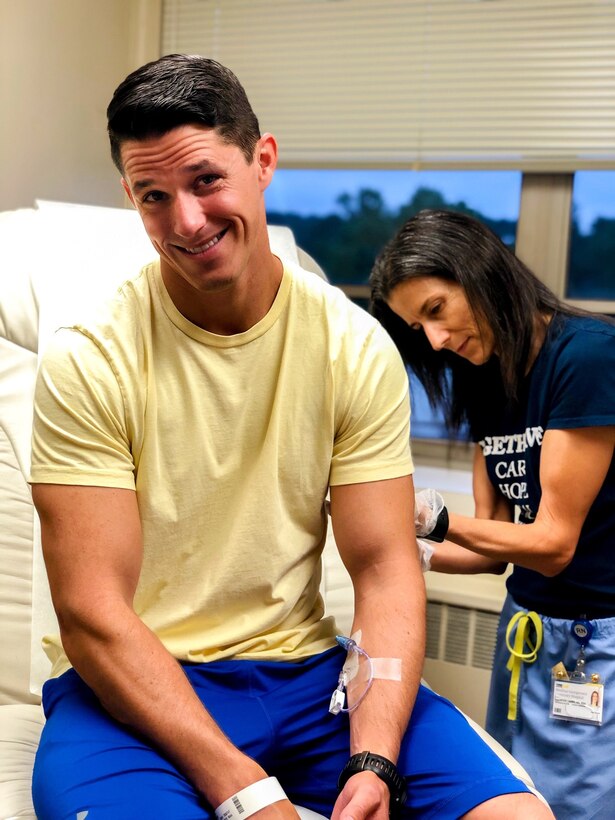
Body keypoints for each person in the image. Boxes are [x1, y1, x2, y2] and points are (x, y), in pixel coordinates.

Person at [29, 55, 552, 820]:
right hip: (137, 691)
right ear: (130, 198)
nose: (186, 222)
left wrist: (373, 759)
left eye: (206, 180)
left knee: (515, 816)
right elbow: (92, 613)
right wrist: (246, 791)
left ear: (262, 160)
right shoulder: (90, 357)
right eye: (154, 197)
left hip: (309, 682)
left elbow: (382, 569)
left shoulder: (351, 345)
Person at [370, 207, 615, 819]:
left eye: (435, 310)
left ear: (479, 272)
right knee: (506, 791)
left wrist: (428, 518)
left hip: (596, 640)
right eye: (416, 327)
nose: (435, 340)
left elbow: (553, 542)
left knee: (577, 806)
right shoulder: (487, 380)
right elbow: (494, 547)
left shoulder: (585, 359)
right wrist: (400, 549)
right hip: (526, 631)